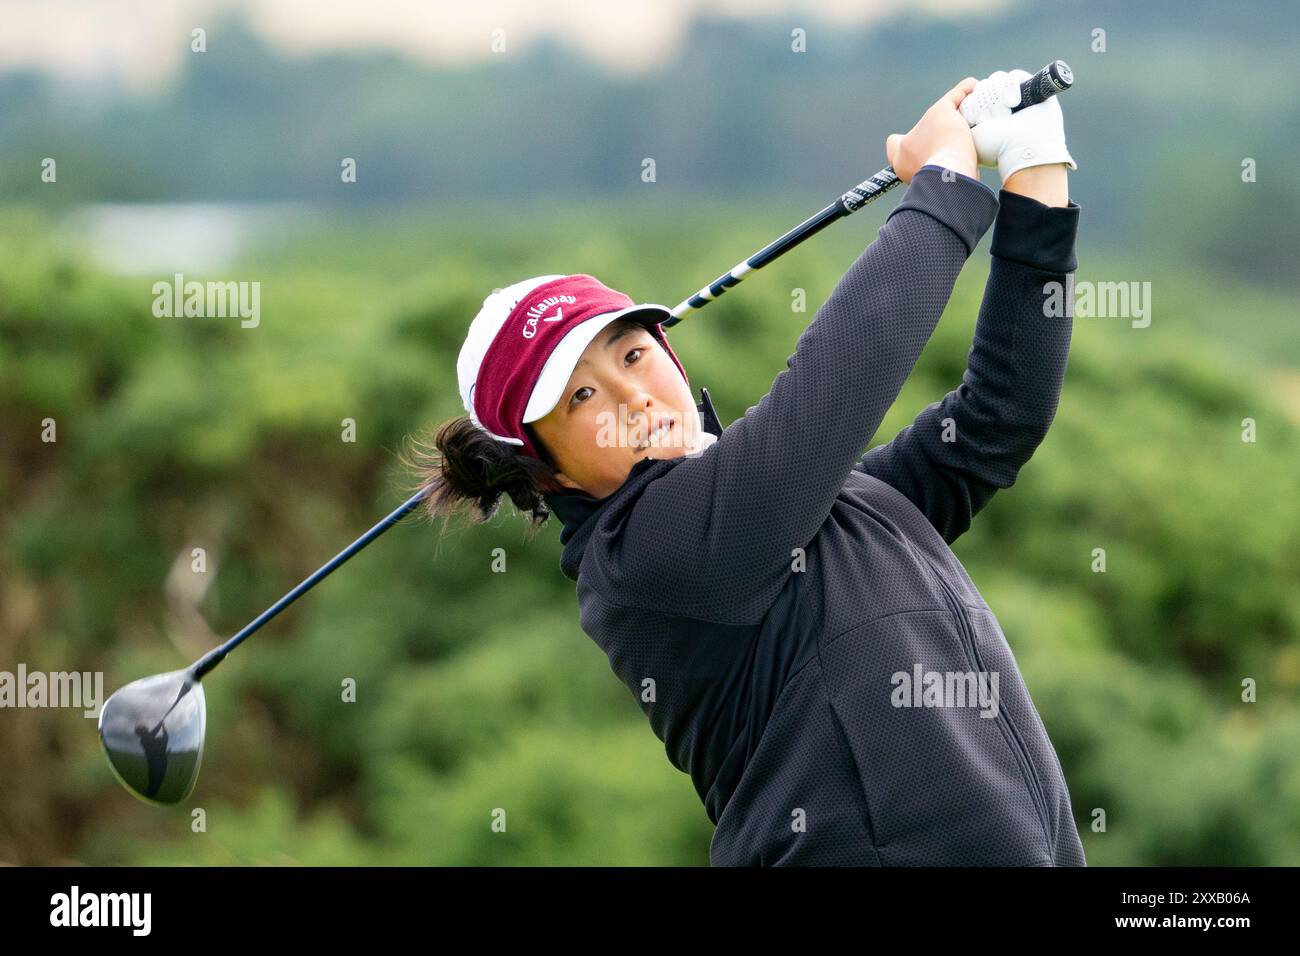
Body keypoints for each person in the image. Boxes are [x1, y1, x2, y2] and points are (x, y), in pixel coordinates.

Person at [406, 70, 1085, 865]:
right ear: (544, 470)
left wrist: (1036, 173)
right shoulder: (645, 559)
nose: (632, 394)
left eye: (633, 352)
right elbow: (828, 392)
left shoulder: (833, 507)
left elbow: (995, 421)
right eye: (583, 393)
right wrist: (942, 188)